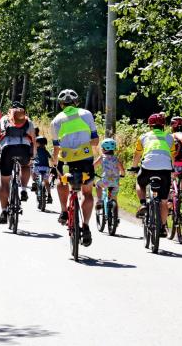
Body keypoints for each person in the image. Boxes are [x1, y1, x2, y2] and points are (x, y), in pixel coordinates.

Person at [50, 89, 100, 247]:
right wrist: (84, 144)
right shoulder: (87, 114)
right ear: (76, 102)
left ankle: (64, 211)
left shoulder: (55, 121)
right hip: (85, 158)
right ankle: (86, 226)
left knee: (62, 182)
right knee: (87, 192)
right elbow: (96, 141)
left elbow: (56, 148)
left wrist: (54, 163)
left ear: (61, 104)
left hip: (66, 161)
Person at [131, 113, 176, 237]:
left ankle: (143, 204)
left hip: (148, 167)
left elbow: (137, 154)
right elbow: (173, 156)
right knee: (164, 201)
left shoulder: (143, 136)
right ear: (163, 125)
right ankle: (162, 227)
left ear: (150, 126)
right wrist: (173, 169)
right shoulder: (169, 137)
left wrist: (134, 167)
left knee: (140, 182)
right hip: (165, 169)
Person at [0, 101, 36, 224]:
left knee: (4, 181)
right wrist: (33, 156)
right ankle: (23, 189)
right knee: (26, 165)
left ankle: (4, 211)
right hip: (24, 149)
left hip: (7, 150)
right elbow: (33, 140)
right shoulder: (28, 121)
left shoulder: (4, 119)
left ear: (10, 110)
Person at [94, 138, 125, 210]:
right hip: (115, 183)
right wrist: (122, 174)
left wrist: (91, 172)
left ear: (103, 149)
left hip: (105, 181)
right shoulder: (116, 159)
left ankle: (100, 200)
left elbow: (94, 166)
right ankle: (114, 213)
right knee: (114, 198)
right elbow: (122, 170)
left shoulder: (102, 157)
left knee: (98, 184)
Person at [32, 136, 53, 204]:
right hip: (46, 168)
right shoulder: (46, 151)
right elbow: (51, 159)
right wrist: (53, 165)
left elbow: (32, 157)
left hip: (37, 168)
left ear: (38, 143)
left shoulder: (36, 150)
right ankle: (49, 195)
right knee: (46, 182)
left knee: (33, 172)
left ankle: (34, 183)